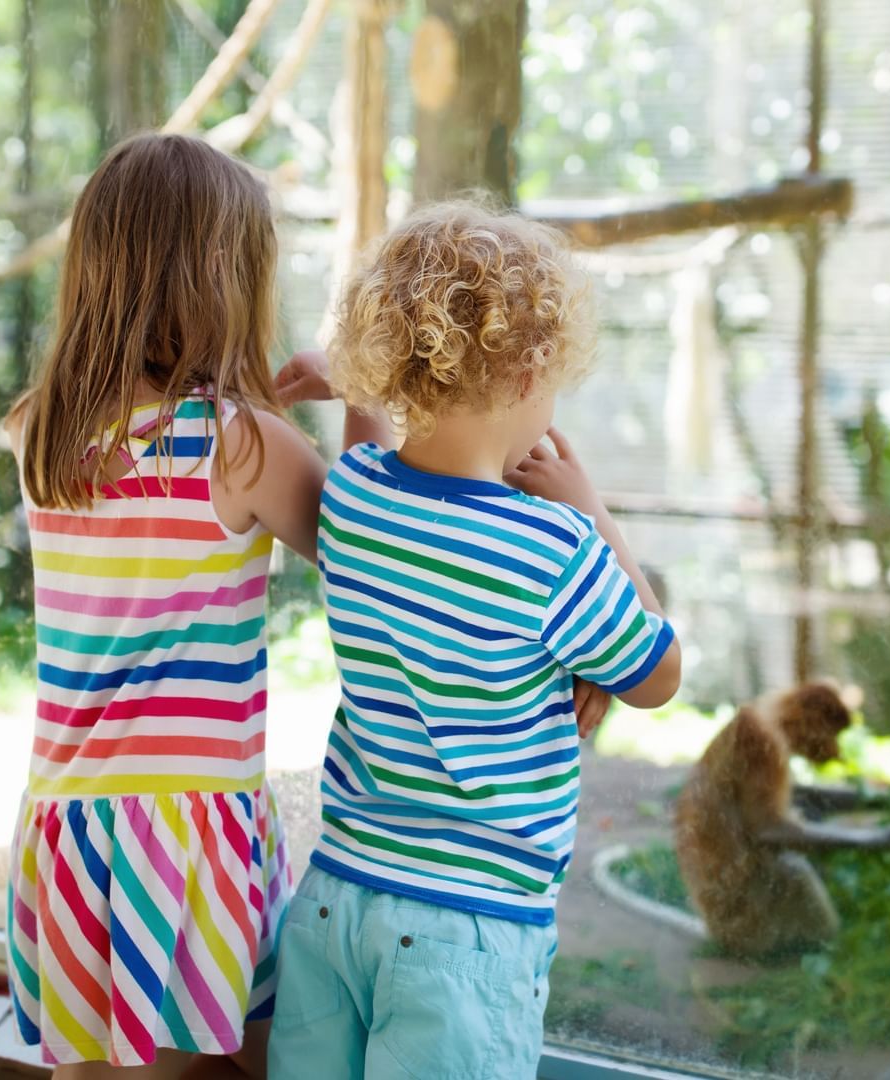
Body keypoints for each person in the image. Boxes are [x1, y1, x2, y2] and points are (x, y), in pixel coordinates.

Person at [266, 202, 682, 1079]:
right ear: (535, 365)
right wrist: (593, 510)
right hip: (470, 930)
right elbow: (657, 673)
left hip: (335, 900)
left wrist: (354, 387)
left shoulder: (355, 500)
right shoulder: (556, 551)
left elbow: (374, 444)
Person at [3, 132, 385, 1078]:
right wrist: (360, 398)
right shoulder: (243, 446)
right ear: (226, 280)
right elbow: (377, 555)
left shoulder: (40, 430)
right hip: (183, 836)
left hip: (69, 826)